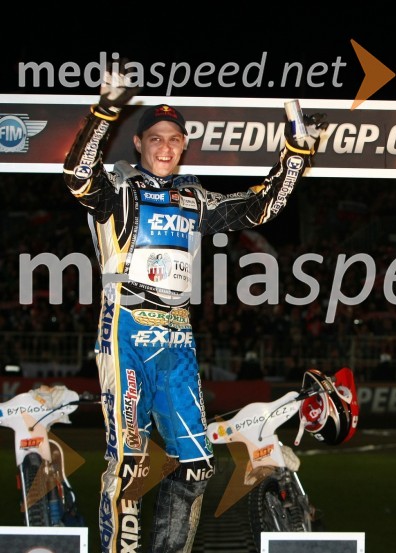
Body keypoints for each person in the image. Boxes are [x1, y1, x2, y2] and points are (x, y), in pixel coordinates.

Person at [62, 67, 326, 553]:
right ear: (138, 143)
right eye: (156, 139)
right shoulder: (118, 190)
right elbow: (78, 175)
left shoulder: (195, 198)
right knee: (130, 459)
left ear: (185, 146)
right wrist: (106, 110)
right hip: (125, 328)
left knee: (197, 464)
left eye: (176, 139)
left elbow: (259, 207)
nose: (166, 147)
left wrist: (295, 155)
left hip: (178, 339)